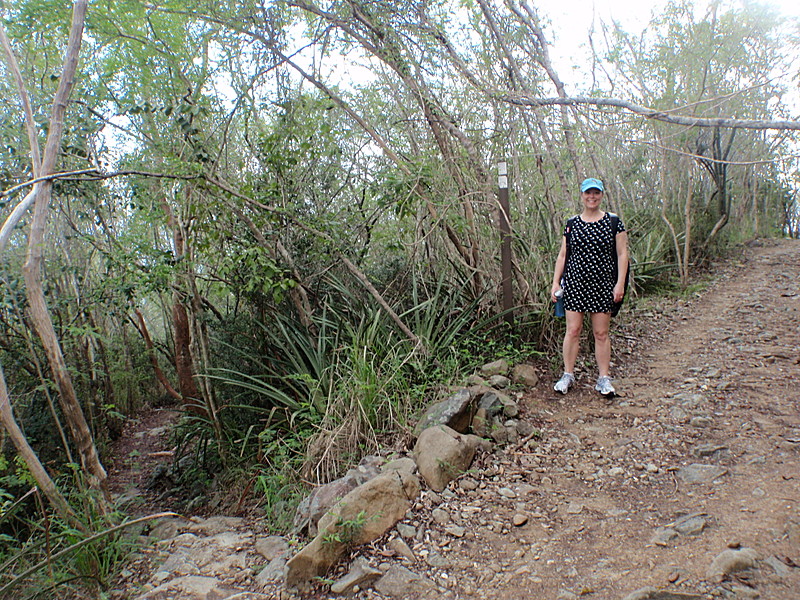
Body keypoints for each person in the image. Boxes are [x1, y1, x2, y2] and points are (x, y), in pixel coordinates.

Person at [550, 177, 629, 396]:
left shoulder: (613, 222)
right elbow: (563, 254)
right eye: (588, 193)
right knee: (573, 330)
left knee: (601, 333)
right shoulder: (572, 223)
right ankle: (567, 374)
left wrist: (619, 284)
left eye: (596, 193)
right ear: (582, 195)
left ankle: (604, 379)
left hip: (603, 285)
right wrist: (556, 281)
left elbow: (623, 254)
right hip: (575, 284)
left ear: (602, 195)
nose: (592, 197)